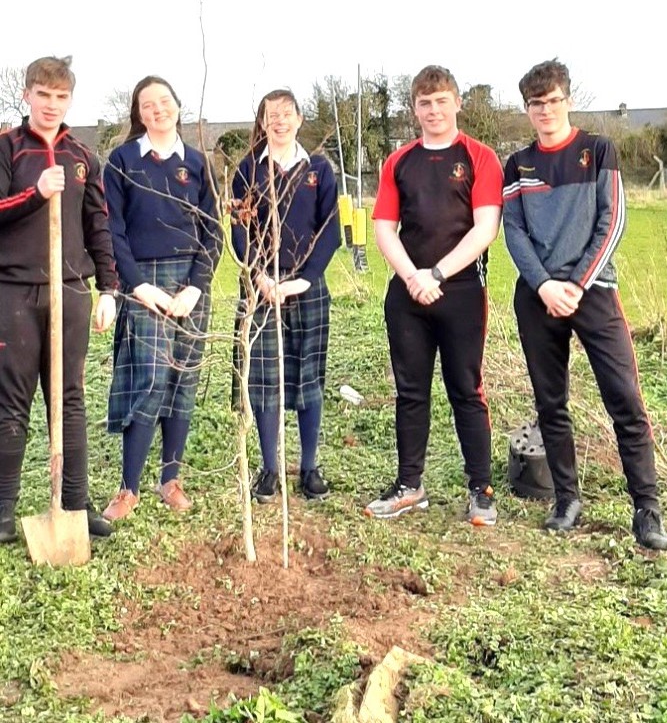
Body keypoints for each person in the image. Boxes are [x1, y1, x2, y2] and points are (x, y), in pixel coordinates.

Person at [502, 59, 667, 550]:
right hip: (538, 298)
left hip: (593, 292)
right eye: (537, 104)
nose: (546, 111)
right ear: (528, 109)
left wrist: (575, 283)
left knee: (625, 401)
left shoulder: (599, 150)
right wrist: (543, 287)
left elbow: (612, 220)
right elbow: (513, 232)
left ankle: (647, 509)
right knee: (551, 403)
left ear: (568, 100)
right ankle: (567, 499)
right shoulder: (518, 165)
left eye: (554, 101)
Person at [365, 65, 503, 526]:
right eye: (425, 103)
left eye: (442, 100)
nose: (434, 110)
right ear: (415, 109)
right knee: (410, 391)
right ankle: (410, 485)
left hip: (461, 290)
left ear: (457, 103)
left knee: (466, 390)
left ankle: (480, 490)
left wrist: (438, 273)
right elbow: (384, 227)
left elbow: (486, 228)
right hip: (408, 293)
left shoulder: (480, 157)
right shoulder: (399, 160)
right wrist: (412, 276)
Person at [0, 56, 117, 544]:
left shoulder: (82, 155)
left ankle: (76, 503)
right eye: (43, 94)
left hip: (70, 289)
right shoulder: (8, 149)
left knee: (69, 400)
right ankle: (3, 511)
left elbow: (99, 226)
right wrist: (34, 192)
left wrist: (109, 289)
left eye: (61, 96)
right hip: (15, 291)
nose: (51, 104)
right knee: (11, 402)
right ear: (28, 95)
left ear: (70, 99)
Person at [101, 76, 223, 521]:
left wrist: (196, 285)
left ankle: (169, 479)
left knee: (182, 382)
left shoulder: (198, 163)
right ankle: (128, 487)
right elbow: (112, 232)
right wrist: (137, 285)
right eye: (147, 105)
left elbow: (214, 231)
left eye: (164, 102)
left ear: (177, 106)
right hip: (144, 283)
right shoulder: (120, 162)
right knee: (149, 380)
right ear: (138, 113)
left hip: (190, 283)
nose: (157, 110)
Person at [231, 89, 340, 503]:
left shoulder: (318, 169)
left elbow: (330, 229)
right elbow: (241, 228)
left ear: (299, 119)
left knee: (308, 377)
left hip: (306, 287)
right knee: (264, 382)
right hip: (261, 288)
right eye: (270, 114)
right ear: (262, 122)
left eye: (286, 114)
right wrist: (258, 275)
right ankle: (270, 469)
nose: (278, 121)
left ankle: (309, 468)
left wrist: (306, 278)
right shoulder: (248, 171)